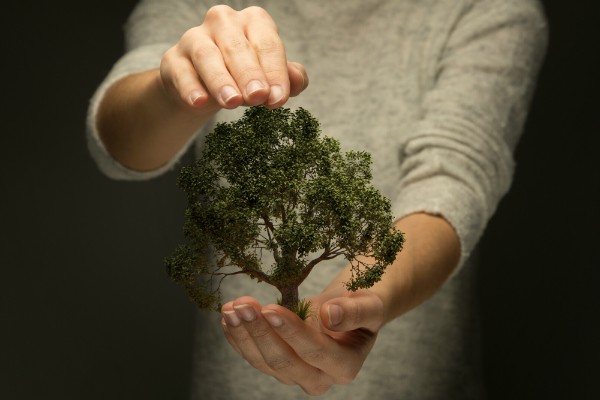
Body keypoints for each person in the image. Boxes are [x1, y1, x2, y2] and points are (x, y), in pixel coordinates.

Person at [87, 0, 547, 398]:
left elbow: (454, 178)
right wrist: (176, 89)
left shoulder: (487, 9)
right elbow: (117, 146)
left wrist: (362, 298)